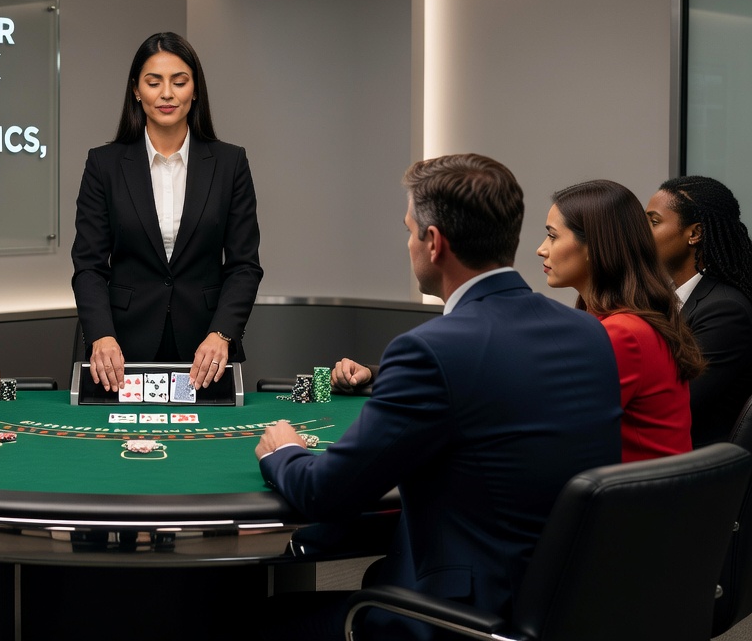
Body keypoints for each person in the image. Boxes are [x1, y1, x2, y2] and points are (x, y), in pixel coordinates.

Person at [256, 154, 621, 640]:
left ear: (433, 243)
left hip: (467, 618)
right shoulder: (586, 332)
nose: (408, 243)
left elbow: (326, 491)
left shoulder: (430, 348)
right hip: (565, 604)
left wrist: (284, 451)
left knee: (241, 622)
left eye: (410, 231)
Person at [71, 32, 262, 391]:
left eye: (179, 81)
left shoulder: (230, 162)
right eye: (153, 82)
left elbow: (244, 265)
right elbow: (89, 266)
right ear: (136, 90)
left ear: (195, 90)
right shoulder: (104, 164)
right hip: (119, 350)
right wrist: (101, 335)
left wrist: (222, 334)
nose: (167, 94)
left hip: (208, 351)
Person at [542, 180, 704, 461]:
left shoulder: (623, 333)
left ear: (593, 245)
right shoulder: (620, 320)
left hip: (637, 501)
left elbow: (558, 426)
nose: (542, 249)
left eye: (553, 236)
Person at [648, 175, 752, 446]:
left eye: (654, 221)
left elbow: (676, 406)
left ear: (694, 234)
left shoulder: (725, 310)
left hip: (693, 470)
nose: (642, 232)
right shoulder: (669, 298)